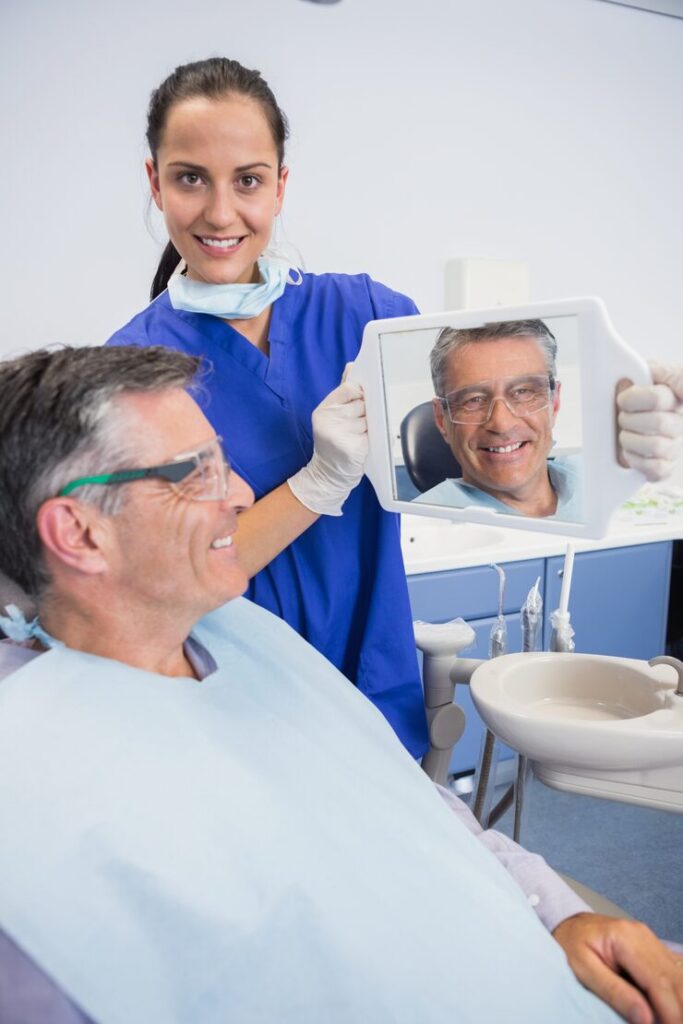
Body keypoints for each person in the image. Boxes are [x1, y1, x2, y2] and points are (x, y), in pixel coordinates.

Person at [0, 344, 681, 1024]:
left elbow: (412, 804)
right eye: (196, 472)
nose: (239, 495)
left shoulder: (245, 635)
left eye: (225, 460)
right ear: (79, 532)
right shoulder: (41, 790)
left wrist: (555, 913)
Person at [105, 56, 429, 759]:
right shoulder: (127, 371)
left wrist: (610, 414)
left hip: (372, 693)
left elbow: (487, 444)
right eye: (191, 178)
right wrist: (316, 485)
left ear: (280, 187)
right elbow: (175, 581)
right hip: (231, 716)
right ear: (155, 183)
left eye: (247, 180)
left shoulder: (369, 316)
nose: (221, 213)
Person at [413, 319, 583, 519]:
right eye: (474, 400)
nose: (502, 424)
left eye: (523, 392)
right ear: (442, 419)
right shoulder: (418, 527)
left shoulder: (604, 482)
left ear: (554, 403)